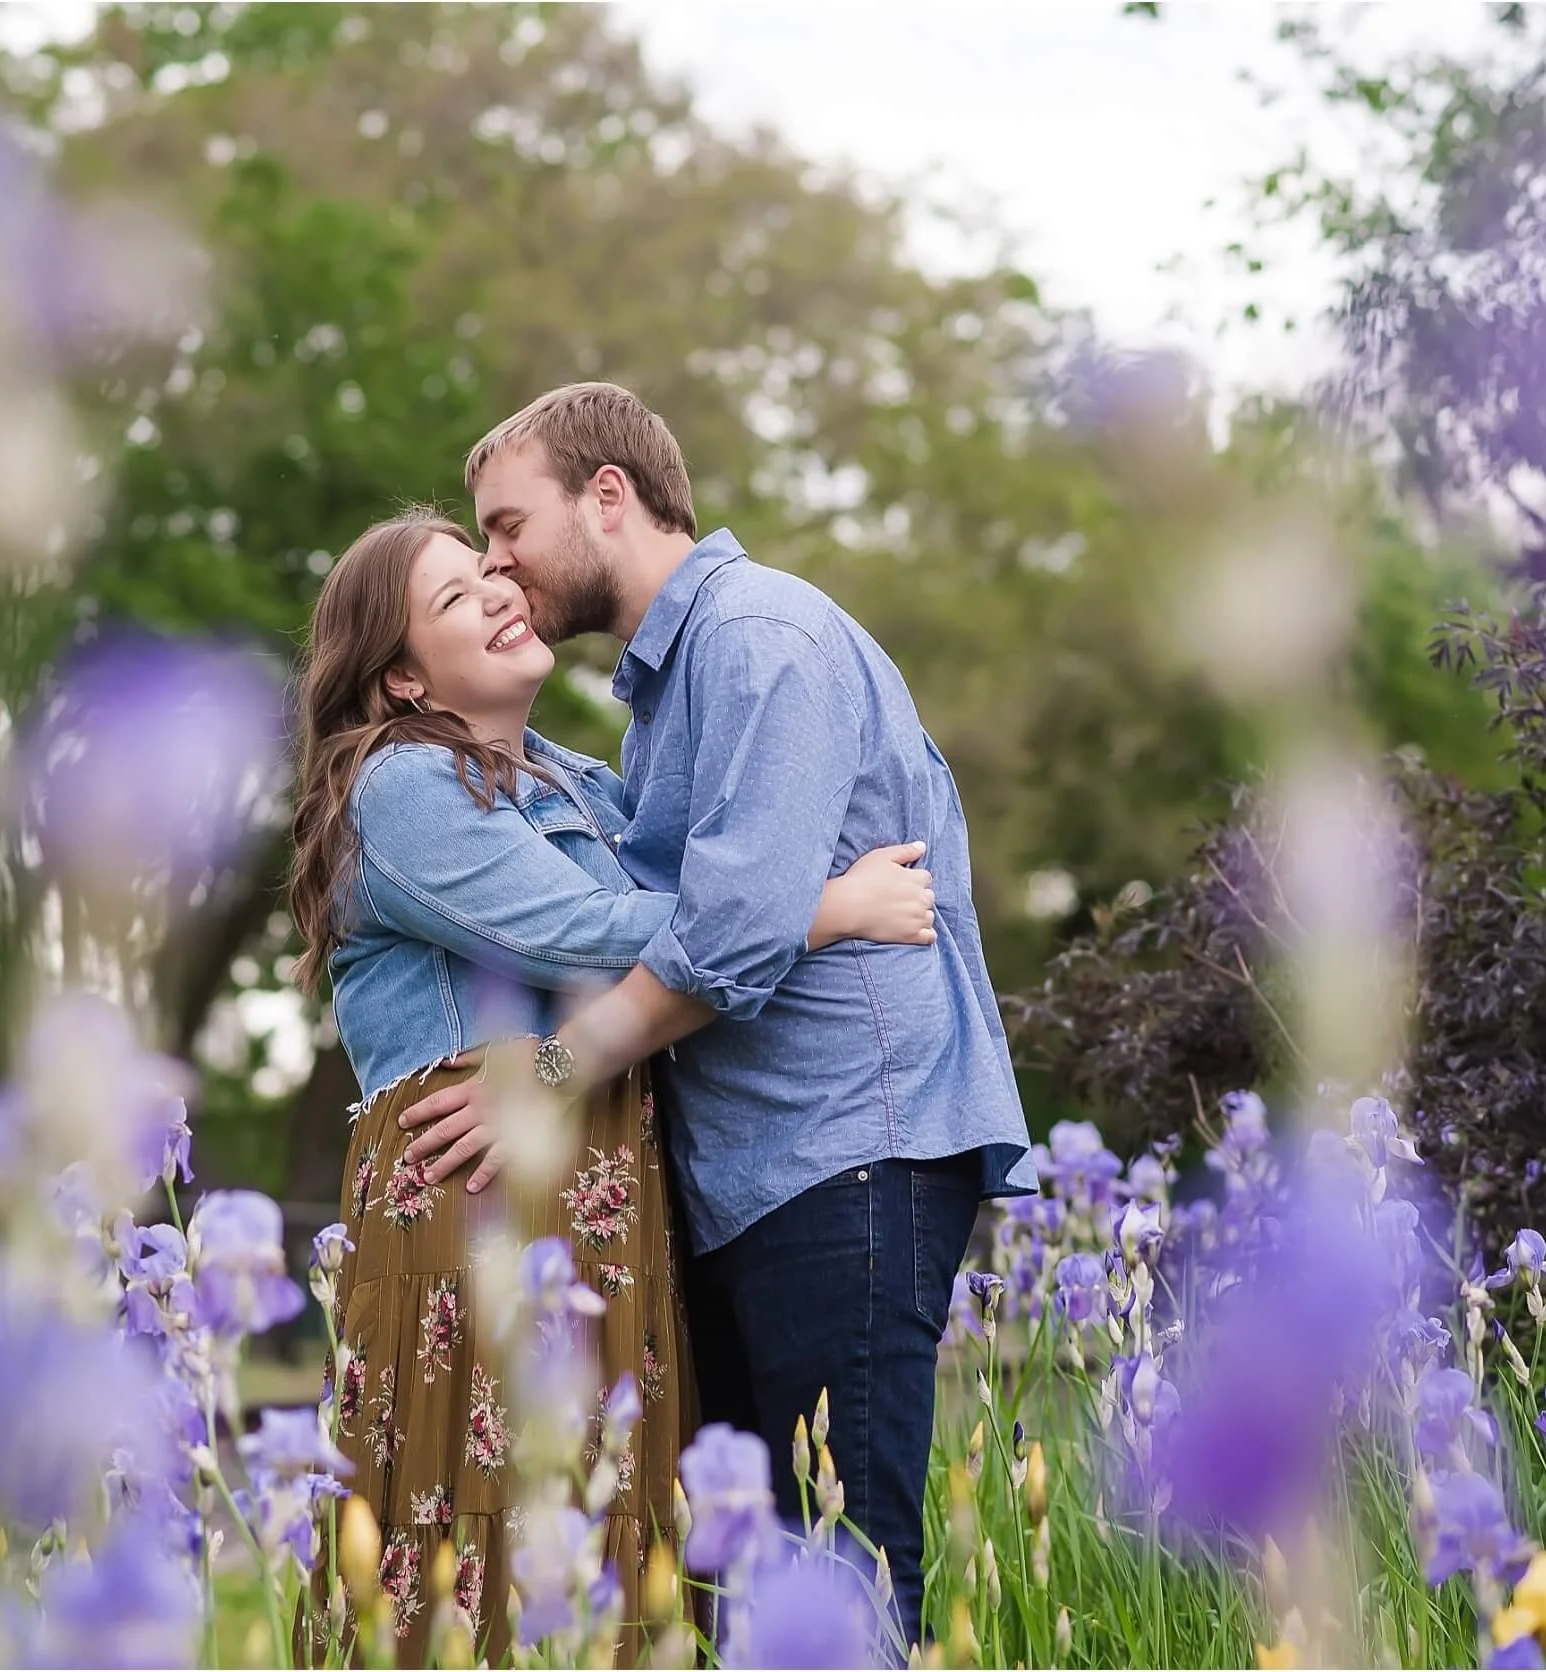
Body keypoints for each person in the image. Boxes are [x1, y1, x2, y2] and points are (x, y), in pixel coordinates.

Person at [393, 382, 1036, 1649]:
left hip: (844, 1153)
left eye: (508, 525)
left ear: (608, 496)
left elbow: (728, 937)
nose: (498, 562)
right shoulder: (660, 701)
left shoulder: (757, 636)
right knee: (754, 1596)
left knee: (842, 1574)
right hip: (761, 1176)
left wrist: (550, 1074)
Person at [285, 510, 939, 1661]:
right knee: (483, 1534)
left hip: (593, 1179)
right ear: (399, 678)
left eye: (489, 570)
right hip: (472, 1185)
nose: (498, 590)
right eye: (454, 598)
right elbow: (585, 930)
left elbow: (696, 921)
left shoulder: (576, 779)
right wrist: (824, 909)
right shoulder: (401, 785)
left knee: (607, 1542)